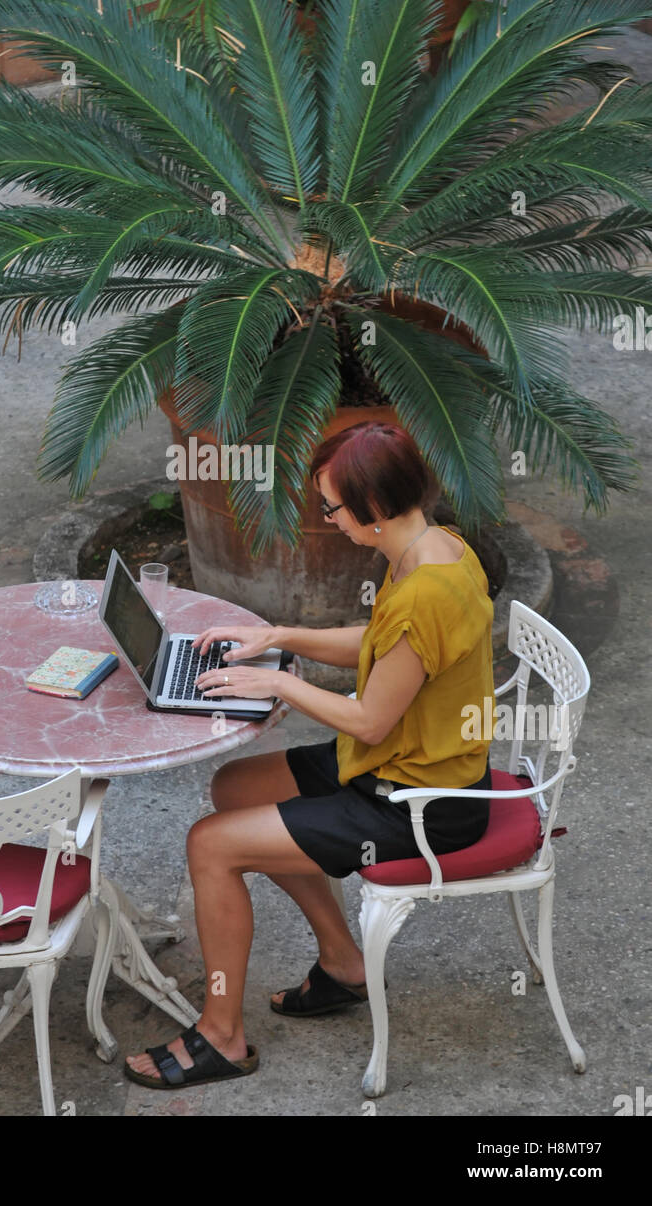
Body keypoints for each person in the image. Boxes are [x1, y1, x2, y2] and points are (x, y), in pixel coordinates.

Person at [124, 421, 495, 1090]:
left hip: (416, 805)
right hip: (396, 766)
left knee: (211, 845)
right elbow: (380, 646)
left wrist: (277, 681)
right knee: (236, 787)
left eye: (331, 506)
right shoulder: (437, 548)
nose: (327, 519)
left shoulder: (427, 592)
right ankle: (342, 962)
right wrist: (278, 636)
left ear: (373, 506)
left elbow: (371, 719)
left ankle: (221, 1038)